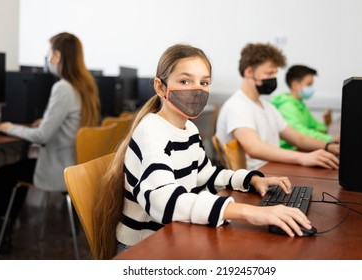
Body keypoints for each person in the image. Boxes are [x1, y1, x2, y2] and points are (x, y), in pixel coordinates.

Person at [92, 44, 313, 260]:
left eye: (204, 82)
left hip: (170, 235)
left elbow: (205, 175)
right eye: (185, 80)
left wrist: (250, 179)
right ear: (160, 87)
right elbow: (163, 201)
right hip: (143, 247)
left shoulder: (189, 129)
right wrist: (249, 212)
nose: (196, 89)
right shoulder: (151, 130)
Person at [0, 32, 101, 252]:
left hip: (59, 170)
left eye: (49, 51)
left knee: (7, 174)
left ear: (58, 55)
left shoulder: (63, 87)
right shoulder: (84, 87)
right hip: (74, 167)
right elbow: (70, 122)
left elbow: (42, 136)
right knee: (15, 172)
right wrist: (48, 121)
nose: (47, 56)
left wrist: (7, 127)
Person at [215, 43, 339, 170]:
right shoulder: (237, 106)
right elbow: (253, 148)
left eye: (275, 74)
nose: (273, 78)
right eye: (269, 73)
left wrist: (328, 146)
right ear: (249, 72)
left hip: (272, 169)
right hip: (254, 177)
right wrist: (302, 158)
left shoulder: (267, 107)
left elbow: (297, 138)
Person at [271, 65, 339, 150]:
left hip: (300, 148)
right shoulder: (287, 106)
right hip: (290, 151)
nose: (311, 88)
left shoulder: (300, 104)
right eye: (309, 84)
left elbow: (314, 125)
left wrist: (324, 131)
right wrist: (329, 139)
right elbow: (300, 133)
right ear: (295, 85)